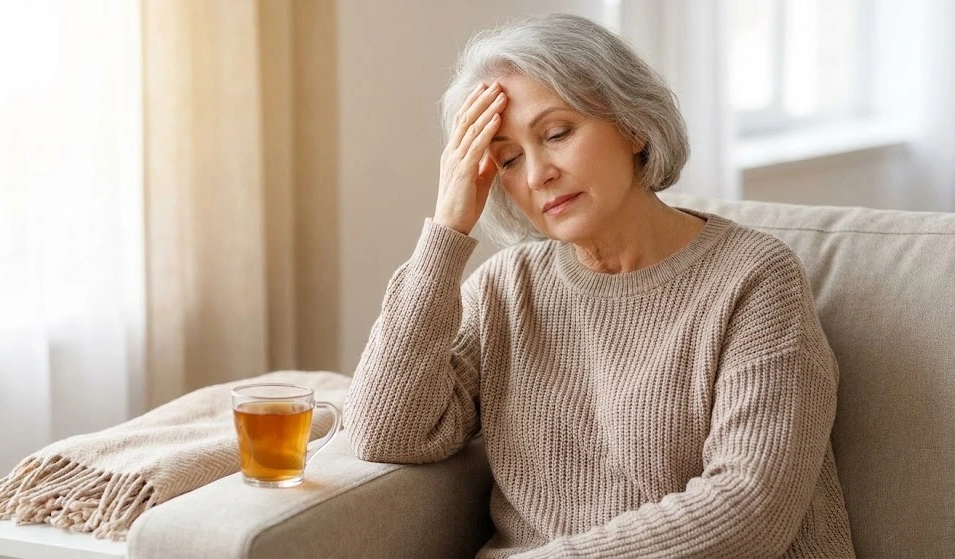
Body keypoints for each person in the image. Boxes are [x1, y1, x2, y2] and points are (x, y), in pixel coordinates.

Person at [343, 13, 856, 559]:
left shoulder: (754, 278)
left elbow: (750, 509)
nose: (538, 173)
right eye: (509, 159)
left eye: (557, 133)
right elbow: (385, 431)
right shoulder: (508, 289)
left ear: (632, 125)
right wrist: (447, 231)